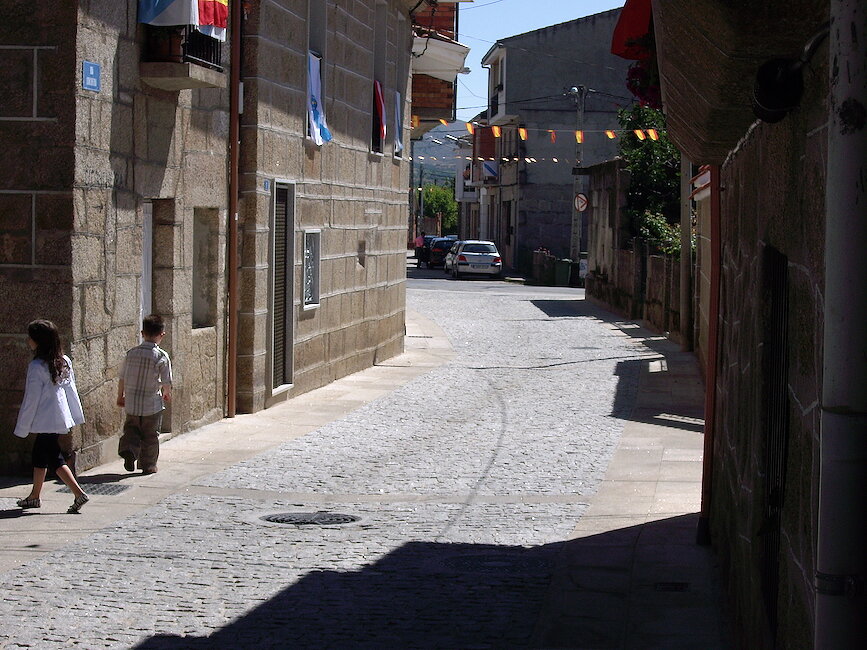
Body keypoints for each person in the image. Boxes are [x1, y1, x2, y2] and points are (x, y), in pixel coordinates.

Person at [13, 319, 90, 514]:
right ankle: (34, 496)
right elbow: (71, 391)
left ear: (38, 341)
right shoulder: (63, 361)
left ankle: (78, 492)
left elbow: (31, 399)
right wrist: (75, 415)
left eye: (31, 337)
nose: (28, 340)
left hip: (46, 419)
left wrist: (23, 425)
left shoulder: (37, 366)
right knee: (40, 455)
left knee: (53, 457)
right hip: (59, 417)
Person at [117, 314, 173, 474]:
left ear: (142, 333)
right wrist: (167, 393)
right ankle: (148, 465)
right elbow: (166, 380)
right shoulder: (161, 356)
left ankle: (129, 449)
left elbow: (122, 377)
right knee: (150, 435)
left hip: (132, 402)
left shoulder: (131, 353)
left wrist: (120, 396)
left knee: (131, 429)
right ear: (162, 334)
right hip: (151, 404)